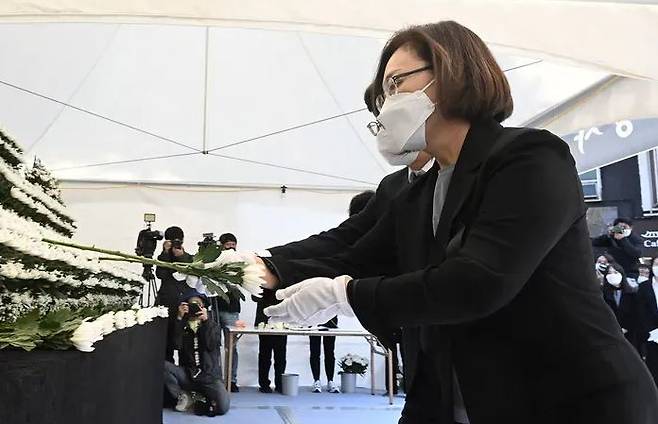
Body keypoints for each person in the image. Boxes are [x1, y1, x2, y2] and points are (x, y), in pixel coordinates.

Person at [261, 21, 658, 423]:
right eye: (384, 95)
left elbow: (479, 281)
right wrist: (262, 268)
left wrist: (346, 296)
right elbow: (356, 253)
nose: (387, 105)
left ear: (451, 75)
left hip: (571, 399)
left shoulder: (530, 158)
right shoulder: (420, 190)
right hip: (458, 395)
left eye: (396, 83)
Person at [164, 290, 230, 417]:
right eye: (191, 305)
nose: (194, 307)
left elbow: (211, 344)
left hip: (209, 377)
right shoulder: (182, 326)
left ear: (203, 307)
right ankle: (184, 396)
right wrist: (179, 318)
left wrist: (206, 321)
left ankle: (201, 397)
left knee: (222, 407)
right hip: (188, 374)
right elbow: (175, 345)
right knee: (162, 365)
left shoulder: (212, 325)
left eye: (198, 304)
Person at [155, 226, 194, 364]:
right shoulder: (163, 257)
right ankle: (167, 377)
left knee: (185, 343)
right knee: (165, 344)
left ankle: (186, 375)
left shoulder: (189, 257)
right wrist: (165, 253)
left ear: (182, 241)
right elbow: (160, 274)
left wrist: (181, 256)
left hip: (183, 305)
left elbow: (191, 273)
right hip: (165, 303)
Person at [215, 232, 242, 392]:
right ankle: (216, 379)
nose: (231, 248)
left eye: (233, 244)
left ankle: (231, 380)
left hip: (231, 309)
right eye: (228, 245)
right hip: (215, 307)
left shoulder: (240, 262)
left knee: (231, 347)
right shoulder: (216, 260)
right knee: (214, 345)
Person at [253, 289, 287, 393]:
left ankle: (280, 384)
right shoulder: (261, 279)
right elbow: (254, 297)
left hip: (281, 320)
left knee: (280, 356)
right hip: (263, 321)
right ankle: (264, 384)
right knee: (265, 355)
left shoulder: (284, 280)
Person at [601, 262, 640, 351]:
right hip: (610, 334)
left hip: (630, 334)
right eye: (609, 273)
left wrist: (626, 327)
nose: (612, 275)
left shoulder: (632, 294)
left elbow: (636, 314)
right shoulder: (602, 295)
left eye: (615, 272)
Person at [638, 257, 658, 384]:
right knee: (653, 366)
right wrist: (651, 331)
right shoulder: (645, 286)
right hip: (651, 334)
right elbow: (641, 311)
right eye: (656, 263)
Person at [309, 317, 340, 393]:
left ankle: (330, 381)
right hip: (314, 318)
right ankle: (316, 380)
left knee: (330, 351)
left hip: (330, 319)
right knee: (315, 351)